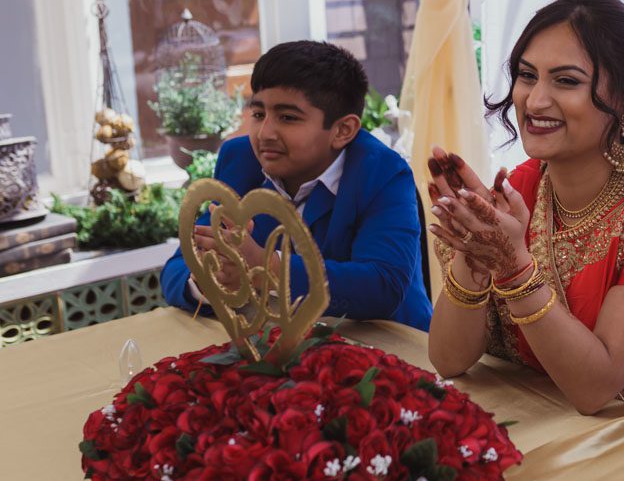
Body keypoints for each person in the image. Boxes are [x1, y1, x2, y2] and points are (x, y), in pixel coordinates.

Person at [424, 0, 624, 419]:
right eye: (527, 75)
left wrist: (513, 267)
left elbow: (593, 389)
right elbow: (448, 360)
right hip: (547, 413)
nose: (534, 101)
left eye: (566, 81)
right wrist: (474, 255)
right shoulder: (522, 189)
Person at [161, 40, 432, 330]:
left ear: (343, 130)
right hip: (278, 340)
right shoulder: (240, 159)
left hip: (391, 343)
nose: (265, 133)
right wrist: (210, 277)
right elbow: (178, 267)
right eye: (258, 114)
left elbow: (383, 286)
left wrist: (268, 267)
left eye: (288, 118)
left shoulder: (383, 172)